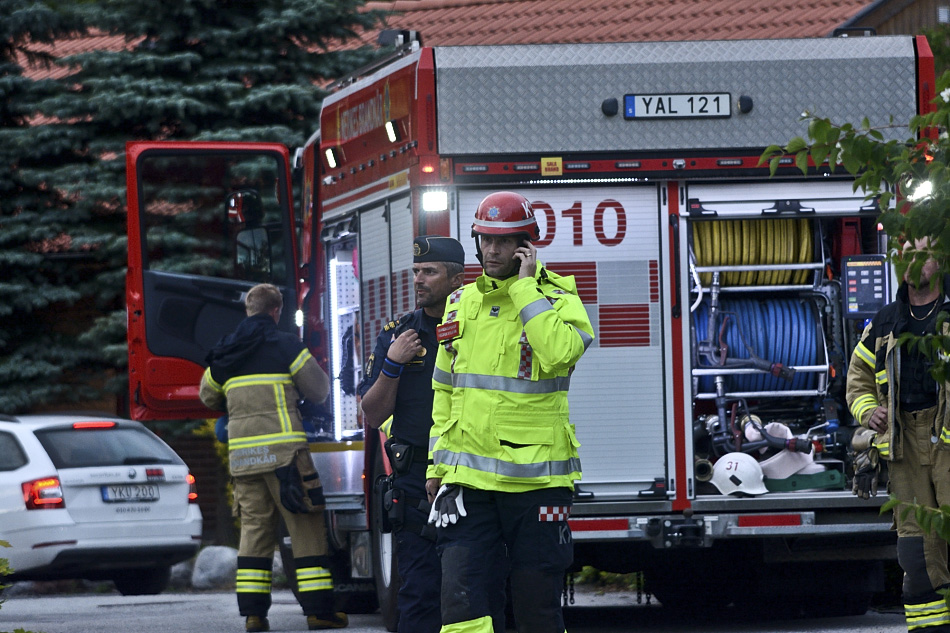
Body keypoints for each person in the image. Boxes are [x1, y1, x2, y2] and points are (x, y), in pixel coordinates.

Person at [425, 191, 594, 633]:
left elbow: (559, 353)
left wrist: (523, 286)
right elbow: (444, 392)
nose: (492, 251)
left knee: (536, 608)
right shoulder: (461, 303)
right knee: (461, 607)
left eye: (503, 242)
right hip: (468, 484)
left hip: (539, 486)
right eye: (485, 240)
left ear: (526, 245)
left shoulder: (558, 298)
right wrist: (435, 468)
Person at [199, 283, 348, 632]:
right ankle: (318, 612)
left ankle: (254, 615)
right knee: (305, 528)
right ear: (276, 311)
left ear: (248, 311)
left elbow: (207, 395)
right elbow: (320, 389)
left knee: (253, 532)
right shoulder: (286, 346)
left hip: (244, 460)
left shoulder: (225, 352)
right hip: (286, 459)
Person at [359, 235, 466, 633]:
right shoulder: (399, 334)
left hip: (470, 471)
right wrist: (392, 364)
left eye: (429, 272)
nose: (418, 280)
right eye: (416, 272)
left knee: (477, 593)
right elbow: (372, 414)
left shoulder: (478, 327)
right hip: (416, 477)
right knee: (419, 594)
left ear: (457, 280)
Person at [846, 238, 950, 632]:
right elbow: (857, 379)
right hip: (904, 444)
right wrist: (869, 411)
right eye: (904, 255)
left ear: (939, 262)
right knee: (916, 548)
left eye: (921, 254)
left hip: (947, 443)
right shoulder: (886, 321)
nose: (911, 263)